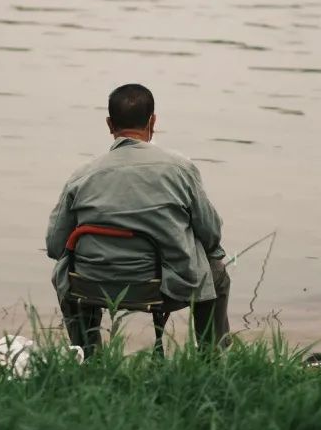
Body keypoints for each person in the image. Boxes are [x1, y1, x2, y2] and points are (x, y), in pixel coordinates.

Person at [45, 83, 230, 351]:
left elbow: (54, 246)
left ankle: (87, 356)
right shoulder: (180, 168)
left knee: (66, 268)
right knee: (216, 272)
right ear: (153, 121)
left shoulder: (81, 175)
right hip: (162, 289)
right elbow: (211, 233)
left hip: (92, 287)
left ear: (109, 124)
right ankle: (211, 359)